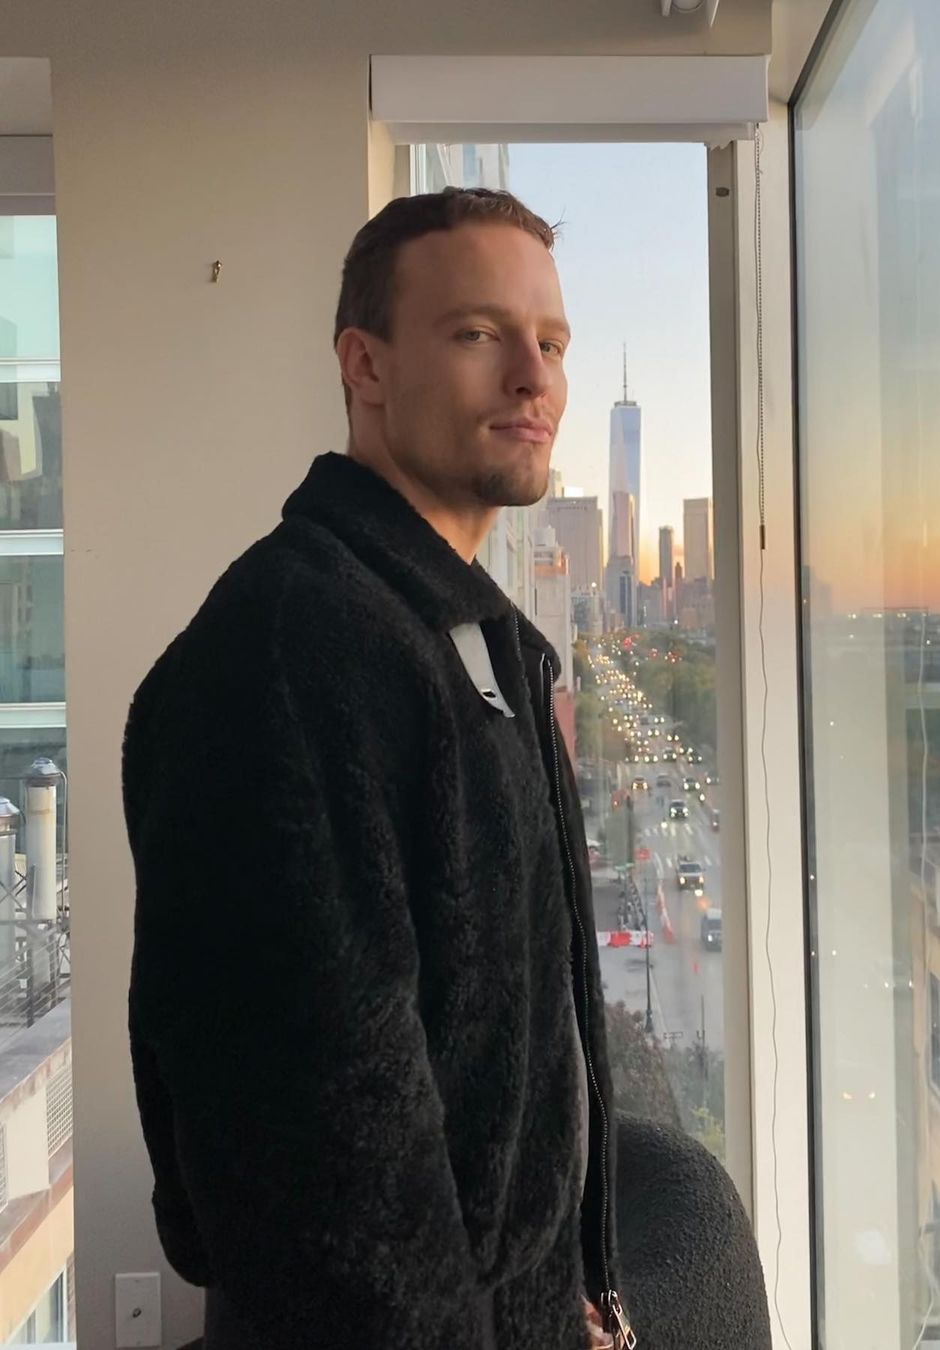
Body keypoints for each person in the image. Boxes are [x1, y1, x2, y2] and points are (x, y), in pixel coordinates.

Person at [123, 187, 637, 1350]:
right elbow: (330, 1191)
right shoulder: (288, 656)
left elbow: (499, 1050)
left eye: (552, 343)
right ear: (366, 364)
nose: (534, 378)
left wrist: (564, 1292)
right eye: (478, 333)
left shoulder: (471, 638)